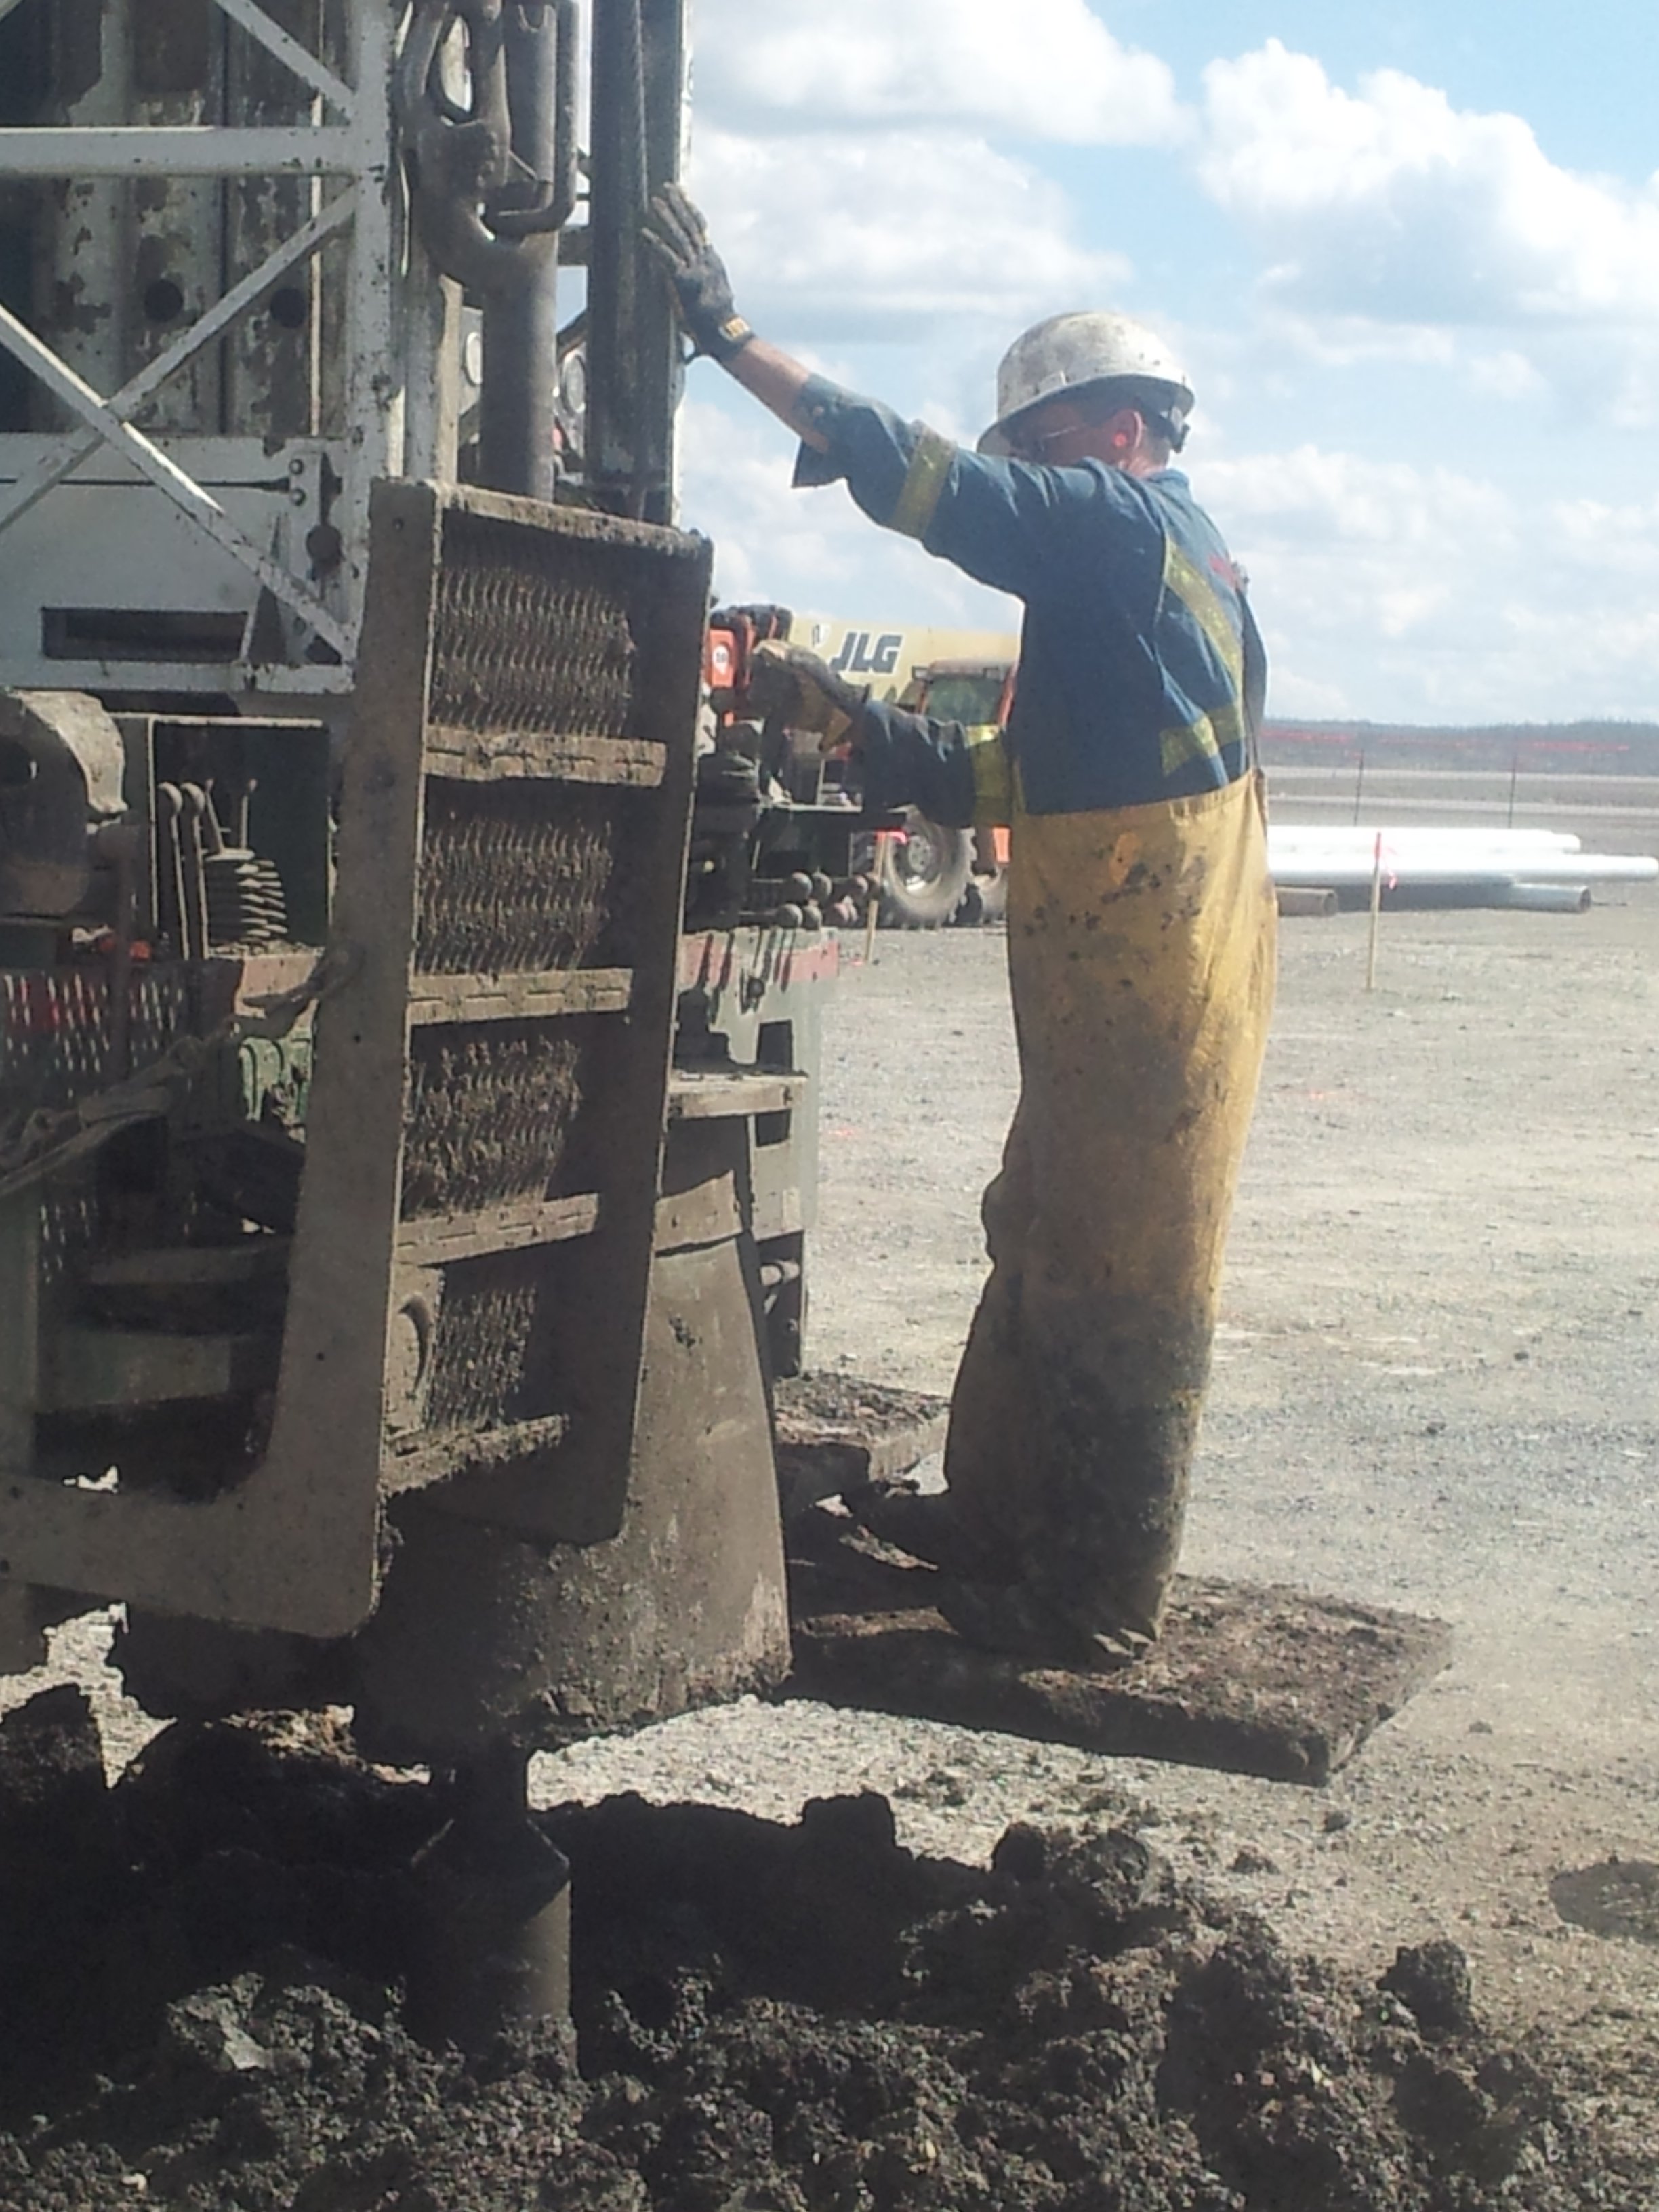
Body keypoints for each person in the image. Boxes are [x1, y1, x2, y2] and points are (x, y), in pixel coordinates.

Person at [646, 184, 1277, 1668]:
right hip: (1124, 970)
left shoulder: (1125, 529)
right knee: (1039, 1223)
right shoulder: (1153, 586)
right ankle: (995, 1519)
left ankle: (1097, 1600)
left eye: (1042, 447)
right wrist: (856, 724)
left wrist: (728, 337)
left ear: (1123, 429)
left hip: (1160, 982)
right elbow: (1022, 780)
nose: (1029, 476)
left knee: (1127, 1265)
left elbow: (933, 485)